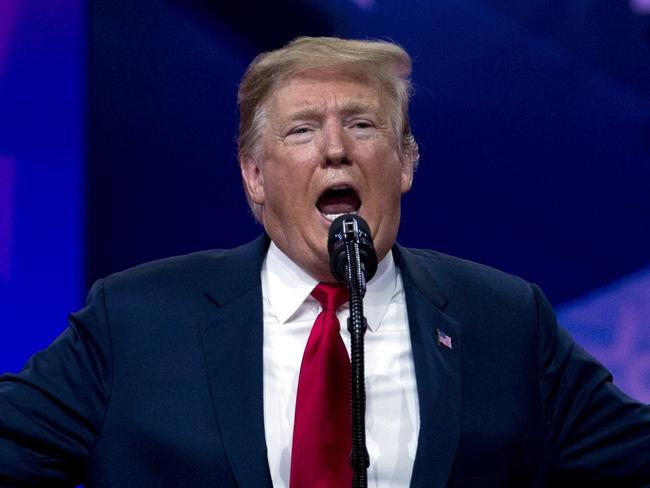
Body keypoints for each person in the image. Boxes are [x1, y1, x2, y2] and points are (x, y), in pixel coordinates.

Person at [0, 36, 649, 488]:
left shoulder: (505, 322)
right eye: (303, 129)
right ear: (254, 175)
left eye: (363, 126)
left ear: (407, 164)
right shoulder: (135, 321)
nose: (336, 149)